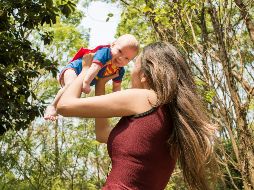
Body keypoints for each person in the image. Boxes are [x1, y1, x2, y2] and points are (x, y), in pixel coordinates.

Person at [56, 42, 216, 190]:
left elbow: (65, 106)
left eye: (134, 64)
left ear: (144, 75)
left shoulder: (144, 97)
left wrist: (85, 69)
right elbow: (102, 134)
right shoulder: (169, 113)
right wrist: (101, 83)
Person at [44, 34, 139, 121]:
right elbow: (95, 67)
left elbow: (117, 88)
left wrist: (120, 103)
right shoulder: (105, 53)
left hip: (82, 78)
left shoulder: (119, 70)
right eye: (119, 51)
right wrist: (86, 83)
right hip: (74, 69)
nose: (121, 58)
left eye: (127, 58)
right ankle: (52, 106)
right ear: (112, 45)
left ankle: (59, 109)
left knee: (73, 96)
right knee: (70, 84)